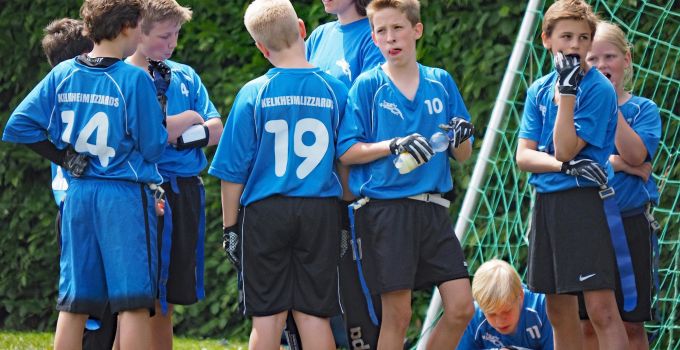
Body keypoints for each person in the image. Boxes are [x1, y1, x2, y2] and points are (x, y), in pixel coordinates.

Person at [3, 0, 167, 349]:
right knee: (133, 302)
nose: (142, 32)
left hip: (78, 196)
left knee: (74, 302)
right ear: (126, 27)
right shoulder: (134, 78)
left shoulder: (63, 74)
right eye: (140, 24)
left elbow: (19, 125)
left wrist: (62, 157)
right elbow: (153, 148)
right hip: (123, 198)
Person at [208, 0, 348, 348]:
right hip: (319, 211)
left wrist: (230, 228)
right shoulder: (336, 91)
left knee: (267, 318)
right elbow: (345, 160)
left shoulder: (253, 93)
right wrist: (343, 217)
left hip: (265, 213)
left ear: (260, 47)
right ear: (302, 29)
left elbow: (232, 172)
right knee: (314, 315)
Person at [336, 0, 476, 348]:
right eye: (381, 31)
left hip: (433, 210)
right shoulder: (367, 86)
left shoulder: (440, 81)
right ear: (373, 37)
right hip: (386, 212)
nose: (390, 37)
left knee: (462, 307)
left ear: (417, 30)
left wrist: (460, 137)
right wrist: (393, 144)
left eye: (397, 28)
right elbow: (347, 151)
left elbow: (463, 154)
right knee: (397, 317)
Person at [515, 1, 629, 349]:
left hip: (583, 202)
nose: (575, 45)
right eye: (566, 36)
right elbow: (524, 156)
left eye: (583, 38)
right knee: (558, 308)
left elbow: (564, 148)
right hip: (546, 203)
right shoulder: (537, 89)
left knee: (601, 309)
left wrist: (566, 94)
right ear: (547, 39)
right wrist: (561, 167)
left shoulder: (597, 89)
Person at [126, 1, 223, 348]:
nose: (172, 45)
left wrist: (179, 138)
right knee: (140, 295)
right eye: (164, 37)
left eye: (176, 35)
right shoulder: (126, 76)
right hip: (147, 191)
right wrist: (181, 124)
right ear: (138, 32)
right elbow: (143, 135)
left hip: (185, 190)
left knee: (167, 296)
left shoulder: (185, 74)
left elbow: (215, 129)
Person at [578, 21, 662, 350]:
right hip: (586, 224)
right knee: (587, 323)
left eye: (609, 57)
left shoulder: (643, 109)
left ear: (626, 59)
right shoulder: (574, 111)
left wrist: (609, 103)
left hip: (629, 225)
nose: (601, 66)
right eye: (592, 60)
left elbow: (635, 152)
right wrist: (629, 167)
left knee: (631, 324)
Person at [305, 0, 384, 347]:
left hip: (352, 189)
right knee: (322, 289)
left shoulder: (373, 34)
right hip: (315, 187)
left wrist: (346, 177)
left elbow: (368, 110)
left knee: (359, 294)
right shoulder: (319, 36)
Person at [41, 17, 120, 350]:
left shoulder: (52, 91)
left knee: (78, 299)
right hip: (89, 200)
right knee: (95, 303)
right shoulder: (82, 90)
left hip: (67, 205)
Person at [457, 259, 554, 350]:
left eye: (506, 311)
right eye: (491, 314)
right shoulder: (471, 316)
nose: (500, 321)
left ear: (520, 295)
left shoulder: (544, 308)